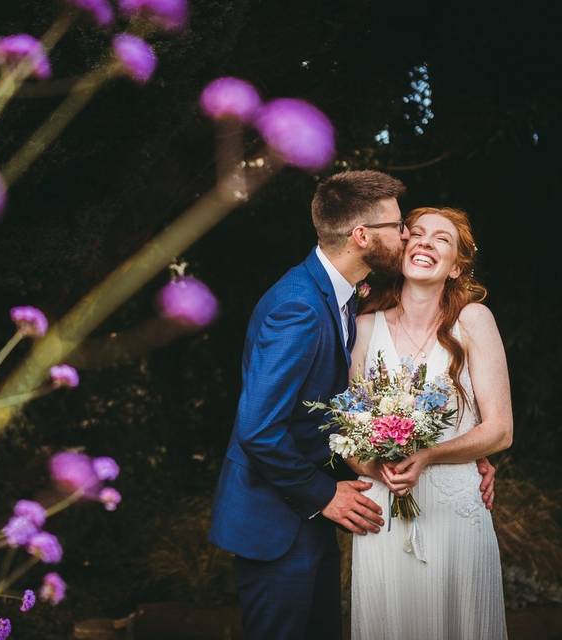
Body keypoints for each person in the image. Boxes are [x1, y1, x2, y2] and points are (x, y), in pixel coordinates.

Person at [210, 171, 495, 639]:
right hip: (277, 520)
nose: (406, 235)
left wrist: (462, 449)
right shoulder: (298, 306)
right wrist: (323, 495)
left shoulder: (344, 300)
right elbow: (259, 428)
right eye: (399, 225)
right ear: (362, 236)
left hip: (310, 515)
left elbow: (338, 407)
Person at [349, 206, 510, 639]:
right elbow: (345, 429)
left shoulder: (474, 321)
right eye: (416, 233)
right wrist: (375, 466)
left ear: (456, 266)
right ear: (401, 248)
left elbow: (499, 429)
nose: (424, 241)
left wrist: (429, 454)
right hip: (384, 509)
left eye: (441, 238)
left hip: (456, 512)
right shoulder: (364, 328)